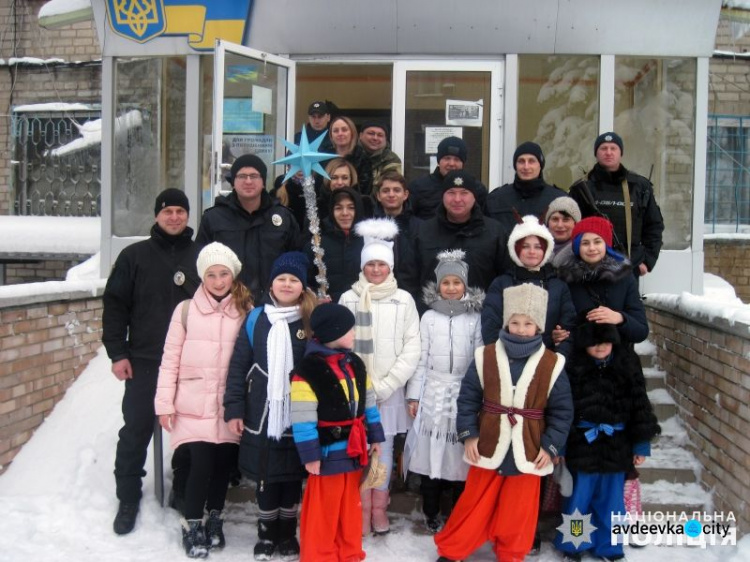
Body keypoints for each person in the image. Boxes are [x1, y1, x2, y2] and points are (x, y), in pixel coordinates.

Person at [435, 283, 573, 562]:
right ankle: (453, 550)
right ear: (506, 323)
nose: (521, 329)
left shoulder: (552, 363)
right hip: (488, 440)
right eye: (515, 322)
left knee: (518, 509)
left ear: (539, 326)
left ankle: (511, 553)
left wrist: (551, 446)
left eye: (528, 323)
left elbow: (562, 411)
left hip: (529, 446)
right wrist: (469, 434)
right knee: (474, 502)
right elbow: (468, 398)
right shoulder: (485, 356)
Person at [102, 188, 200, 535]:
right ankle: (128, 496)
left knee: (190, 431)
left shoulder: (201, 255)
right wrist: (118, 353)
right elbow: (115, 306)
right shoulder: (134, 256)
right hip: (145, 359)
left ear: (188, 216)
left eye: (180, 211)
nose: (174, 217)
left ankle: (184, 491)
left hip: (190, 363)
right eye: (167, 211)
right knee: (136, 430)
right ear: (157, 215)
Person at [154, 242, 251, 558]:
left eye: (224, 274)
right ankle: (192, 523)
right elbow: (170, 360)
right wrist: (164, 403)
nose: (219, 281)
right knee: (200, 465)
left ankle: (215, 519)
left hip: (228, 406)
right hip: (193, 405)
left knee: (223, 466)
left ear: (233, 276)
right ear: (202, 277)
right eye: (212, 274)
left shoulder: (246, 312)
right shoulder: (185, 311)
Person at [224, 251, 317, 561]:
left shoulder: (310, 319)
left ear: (302, 287)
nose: (287, 285)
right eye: (281, 279)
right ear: (271, 284)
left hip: (298, 410)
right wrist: (234, 408)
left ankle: (287, 532)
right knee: (265, 473)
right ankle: (266, 533)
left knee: (291, 472)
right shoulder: (256, 318)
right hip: (260, 410)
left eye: (293, 280)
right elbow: (239, 365)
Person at [338, 218, 421, 535]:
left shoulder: (404, 300)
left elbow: (412, 348)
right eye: (370, 264)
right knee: (357, 450)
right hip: (355, 393)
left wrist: (386, 385)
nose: (375, 270)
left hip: (388, 393)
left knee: (383, 451)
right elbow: (339, 345)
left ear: (390, 267)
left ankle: (379, 509)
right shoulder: (349, 298)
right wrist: (356, 387)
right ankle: (359, 507)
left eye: (381, 264)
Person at [554, 321, 660, 562]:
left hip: (616, 446)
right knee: (578, 501)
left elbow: (640, 409)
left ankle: (609, 547)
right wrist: (560, 446)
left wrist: (641, 444)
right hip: (582, 446)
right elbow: (562, 410)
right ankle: (574, 544)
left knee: (612, 503)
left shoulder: (626, 370)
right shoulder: (574, 371)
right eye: (593, 342)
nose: (600, 347)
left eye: (604, 341)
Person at [290, 303, 386, 562]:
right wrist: (310, 455)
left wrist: (375, 436)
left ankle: (349, 551)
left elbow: (369, 403)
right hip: (326, 453)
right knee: (324, 509)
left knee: (349, 506)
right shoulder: (307, 371)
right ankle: (319, 555)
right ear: (333, 332)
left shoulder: (355, 364)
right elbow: (302, 418)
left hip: (354, 449)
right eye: (349, 329)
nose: (354, 333)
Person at [403, 249, 484, 534]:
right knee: (432, 453)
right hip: (434, 392)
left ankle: (459, 510)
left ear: (465, 285)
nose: (451, 288)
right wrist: (414, 395)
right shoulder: (428, 318)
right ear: (438, 285)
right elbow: (421, 359)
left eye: (457, 282)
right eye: (446, 283)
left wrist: (479, 397)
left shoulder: (475, 318)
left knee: (460, 453)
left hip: (463, 391)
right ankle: (431, 510)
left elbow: (479, 358)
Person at [197, 154, 301, 303]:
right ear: (233, 182)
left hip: (274, 306)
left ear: (263, 181)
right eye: (241, 176)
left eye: (254, 176)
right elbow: (200, 263)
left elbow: (296, 261)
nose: (248, 181)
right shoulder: (214, 218)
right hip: (227, 305)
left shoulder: (283, 218)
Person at [568, 132, 664, 277]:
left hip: (629, 265)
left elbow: (654, 225)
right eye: (603, 148)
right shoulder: (583, 188)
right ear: (596, 153)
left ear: (621, 153)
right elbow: (571, 226)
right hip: (589, 268)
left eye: (613, 148)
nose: (608, 152)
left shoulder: (639, 186)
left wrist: (647, 262)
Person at [481, 214, 577, 358]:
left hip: (547, 362)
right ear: (515, 249)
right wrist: (504, 360)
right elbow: (490, 327)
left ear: (545, 250)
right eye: (525, 246)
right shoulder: (501, 283)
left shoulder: (558, 286)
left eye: (538, 247)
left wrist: (556, 360)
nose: (532, 252)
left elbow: (567, 328)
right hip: (508, 362)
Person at [553, 216, 649, 345]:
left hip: (618, 359)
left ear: (606, 244)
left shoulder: (624, 277)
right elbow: (559, 324)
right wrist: (558, 334)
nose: (592, 248)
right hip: (577, 359)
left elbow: (641, 330)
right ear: (577, 246)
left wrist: (620, 318)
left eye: (597, 242)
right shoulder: (565, 279)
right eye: (585, 243)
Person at [413, 170, 508, 296]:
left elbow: (505, 278)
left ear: (474, 197)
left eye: (464, 193)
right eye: (451, 193)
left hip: (481, 312)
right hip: (433, 312)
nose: (457, 199)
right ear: (443, 196)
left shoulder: (495, 232)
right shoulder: (423, 232)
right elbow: (411, 278)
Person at [485, 142, 567, 237]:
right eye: (521, 161)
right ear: (515, 165)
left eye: (531, 161)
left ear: (540, 165)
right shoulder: (496, 199)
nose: (526, 167)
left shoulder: (559, 200)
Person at [306, 187, 366, 302]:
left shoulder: (369, 242)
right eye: (338, 208)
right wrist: (315, 298)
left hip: (363, 310)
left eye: (351, 208)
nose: (345, 213)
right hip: (329, 311)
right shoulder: (316, 245)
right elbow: (306, 282)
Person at [408, 136, 488, 220]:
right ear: (439, 161)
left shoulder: (476, 188)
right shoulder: (418, 187)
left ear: (463, 163)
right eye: (447, 158)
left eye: (456, 159)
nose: (451, 163)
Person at [372, 171, 422, 298]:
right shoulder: (369, 227)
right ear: (378, 195)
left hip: (412, 296)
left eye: (396, 190)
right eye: (386, 190)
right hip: (378, 295)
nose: (391, 194)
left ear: (405, 195)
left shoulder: (420, 227)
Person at [329, 115, 374, 197]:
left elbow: (365, 191)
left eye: (344, 130)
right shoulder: (323, 157)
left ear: (352, 133)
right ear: (331, 135)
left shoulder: (362, 159)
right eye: (335, 131)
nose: (340, 133)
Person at [358, 121, 402, 187]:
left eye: (380, 135)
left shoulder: (391, 159)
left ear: (385, 139)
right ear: (361, 136)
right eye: (371, 133)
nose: (375, 138)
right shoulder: (351, 154)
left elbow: (388, 187)